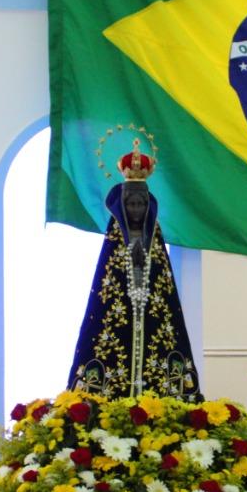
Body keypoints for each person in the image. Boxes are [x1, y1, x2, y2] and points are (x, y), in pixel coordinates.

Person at [68, 139, 199, 400]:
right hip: (120, 325)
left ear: (149, 206)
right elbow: (106, 294)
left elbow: (164, 293)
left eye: (140, 204)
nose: (136, 210)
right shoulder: (114, 245)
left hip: (151, 325)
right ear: (122, 205)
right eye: (131, 204)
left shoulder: (156, 244)